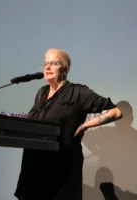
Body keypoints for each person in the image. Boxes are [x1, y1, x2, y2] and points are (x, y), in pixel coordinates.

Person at [14, 48, 123, 200]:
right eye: (45, 63)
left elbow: (116, 112)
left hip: (61, 168)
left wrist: (85, 125)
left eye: (54, 63)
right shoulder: (41, 92)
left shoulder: (78, 92)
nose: (47, 67)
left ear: (66, 69)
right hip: (34, 166)